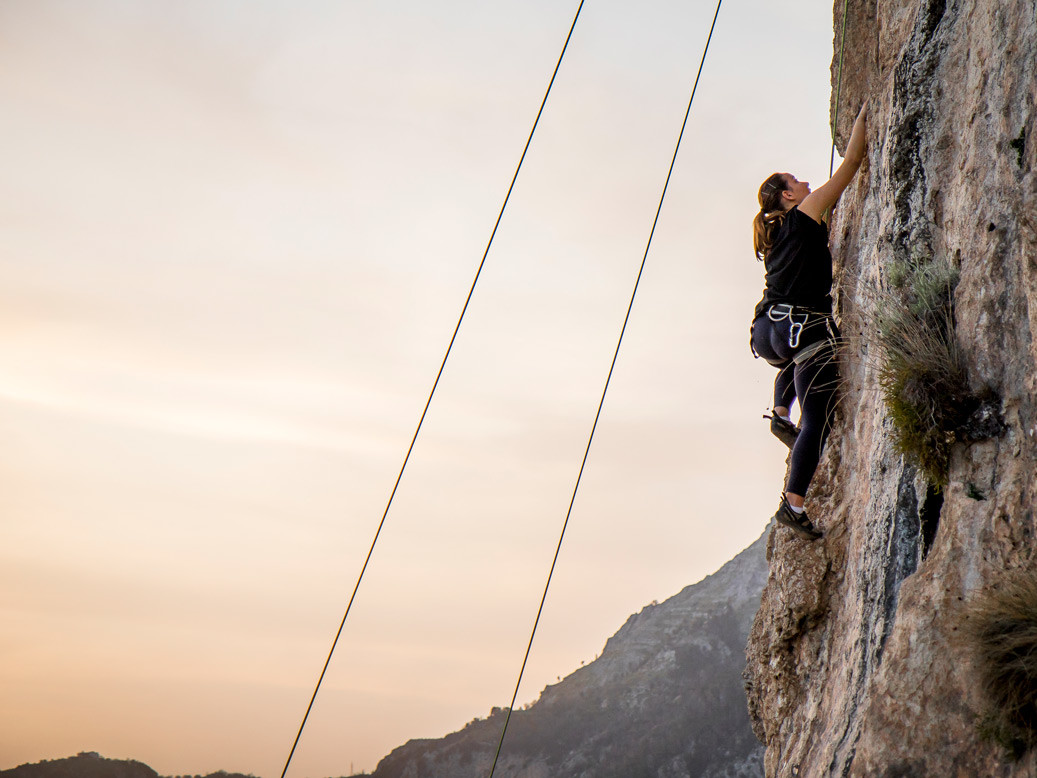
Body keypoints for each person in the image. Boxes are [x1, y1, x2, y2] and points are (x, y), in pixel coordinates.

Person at [750, 105, 868, 540]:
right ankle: (793, 504)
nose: (804, 182)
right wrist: (863, 119)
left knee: (795, 366)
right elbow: (851, 165)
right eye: (794, 181)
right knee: (817, 419)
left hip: (769, 331)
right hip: (804, 328)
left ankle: (781, 410)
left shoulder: (777, 230)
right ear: (788, 196)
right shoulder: (805, 213)